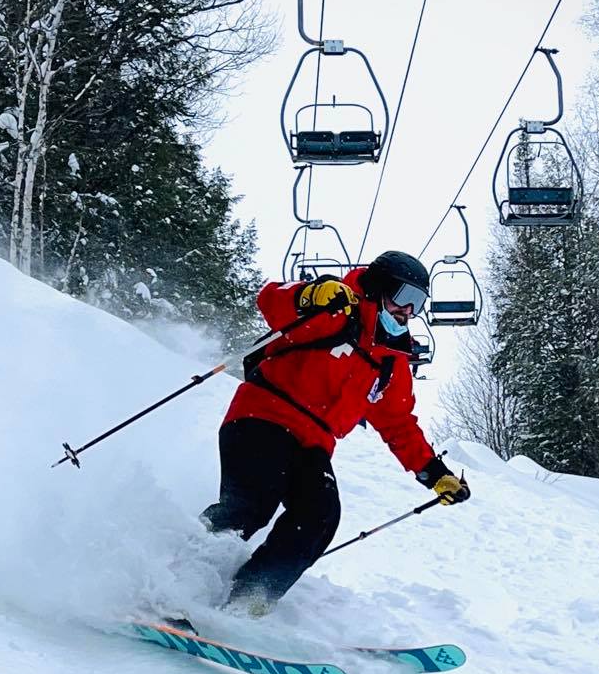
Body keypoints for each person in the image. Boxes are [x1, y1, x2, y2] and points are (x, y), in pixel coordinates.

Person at [200, 250, 471, 616]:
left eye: (418, 304)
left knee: (320, 515)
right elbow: (271, 301)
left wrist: (435, 474)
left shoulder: (390, 362)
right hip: (261, 417)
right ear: (377, 289)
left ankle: (248, 600)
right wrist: (310, 295)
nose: (408, 311)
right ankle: (178, 575)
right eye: (403, 297)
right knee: (252, 504)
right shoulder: (337, 311)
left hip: (312, 444)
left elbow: (398, 424)